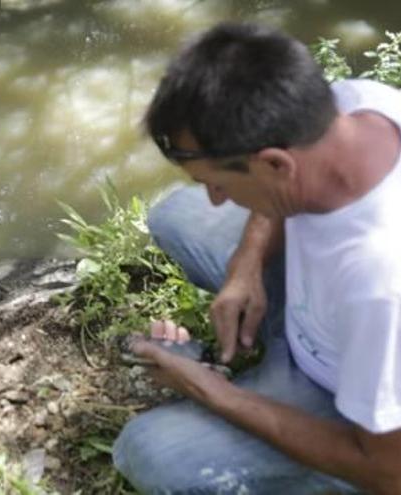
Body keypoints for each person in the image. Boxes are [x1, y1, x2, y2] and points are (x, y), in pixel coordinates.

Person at [113, 22, 401, 494]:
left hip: (343, 390)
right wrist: (246, 268)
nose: (215, 199)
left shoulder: (380, 282)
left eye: (219, 183)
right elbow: (280, 193)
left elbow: (390, 473)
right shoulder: (359, 104)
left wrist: (210, 391)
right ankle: (273, 341)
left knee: (149, 452)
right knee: (175, 216)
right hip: (328, 313)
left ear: (273, 164)